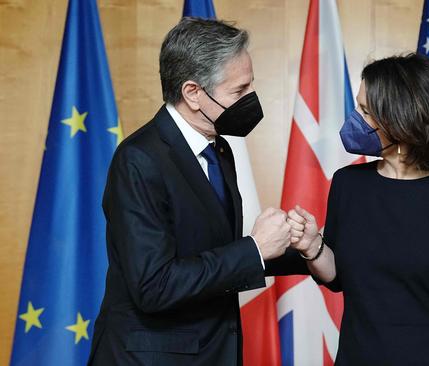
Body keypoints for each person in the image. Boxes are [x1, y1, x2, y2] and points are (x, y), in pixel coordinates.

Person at [88, 18, 307, 366]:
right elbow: (154, 286)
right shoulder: (139, 160)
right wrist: (254, 248)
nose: (251, 99)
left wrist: (306, 251)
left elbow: (210, 254)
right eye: (239, 91)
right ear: (192, 93)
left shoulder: (219, 149)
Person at [287, 53, 429, 366]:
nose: (355, 118)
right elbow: (338, 277)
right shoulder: (348, 184)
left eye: (366, 111)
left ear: (401, 120)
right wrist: (312, 247)